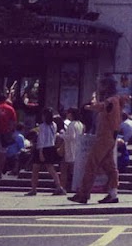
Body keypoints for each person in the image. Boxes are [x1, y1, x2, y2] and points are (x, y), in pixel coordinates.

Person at [70, 75, 124, 204]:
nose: (100, 88)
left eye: (102, 86)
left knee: (91, 163)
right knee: (109, 167)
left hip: (104, 137)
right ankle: (112, 194)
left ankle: (83, 194)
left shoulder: (111, 100)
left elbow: (102, 106)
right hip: (109, 137)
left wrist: (89, 107)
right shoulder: (115, 100)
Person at [25, 109, 67, 195]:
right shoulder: (54, 125)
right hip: (50, 147)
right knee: (51, 168)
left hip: (42, 148)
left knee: (36, 169)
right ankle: (59, 186)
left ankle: (33, 189)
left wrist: (40, 152)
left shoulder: (42, 127)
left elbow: (41, 140)